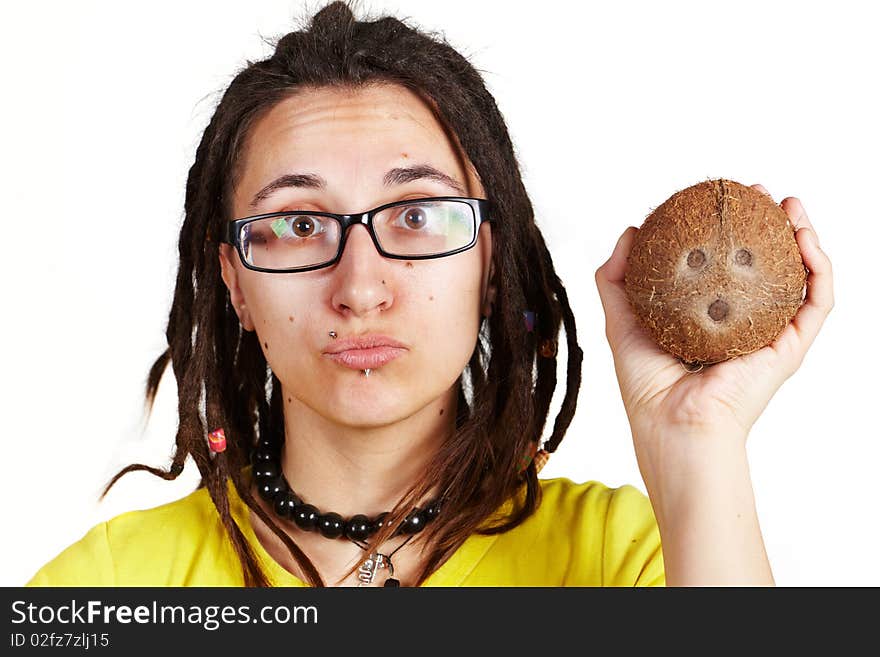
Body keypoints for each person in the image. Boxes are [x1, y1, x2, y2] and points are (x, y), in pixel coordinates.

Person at [26, 2, 833, 588]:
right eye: (300, 223)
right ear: (234, 281)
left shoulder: (631, 557)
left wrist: (700, 440)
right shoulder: (106, 586)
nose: (361, 286)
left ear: (488, 259)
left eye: (416, 214)